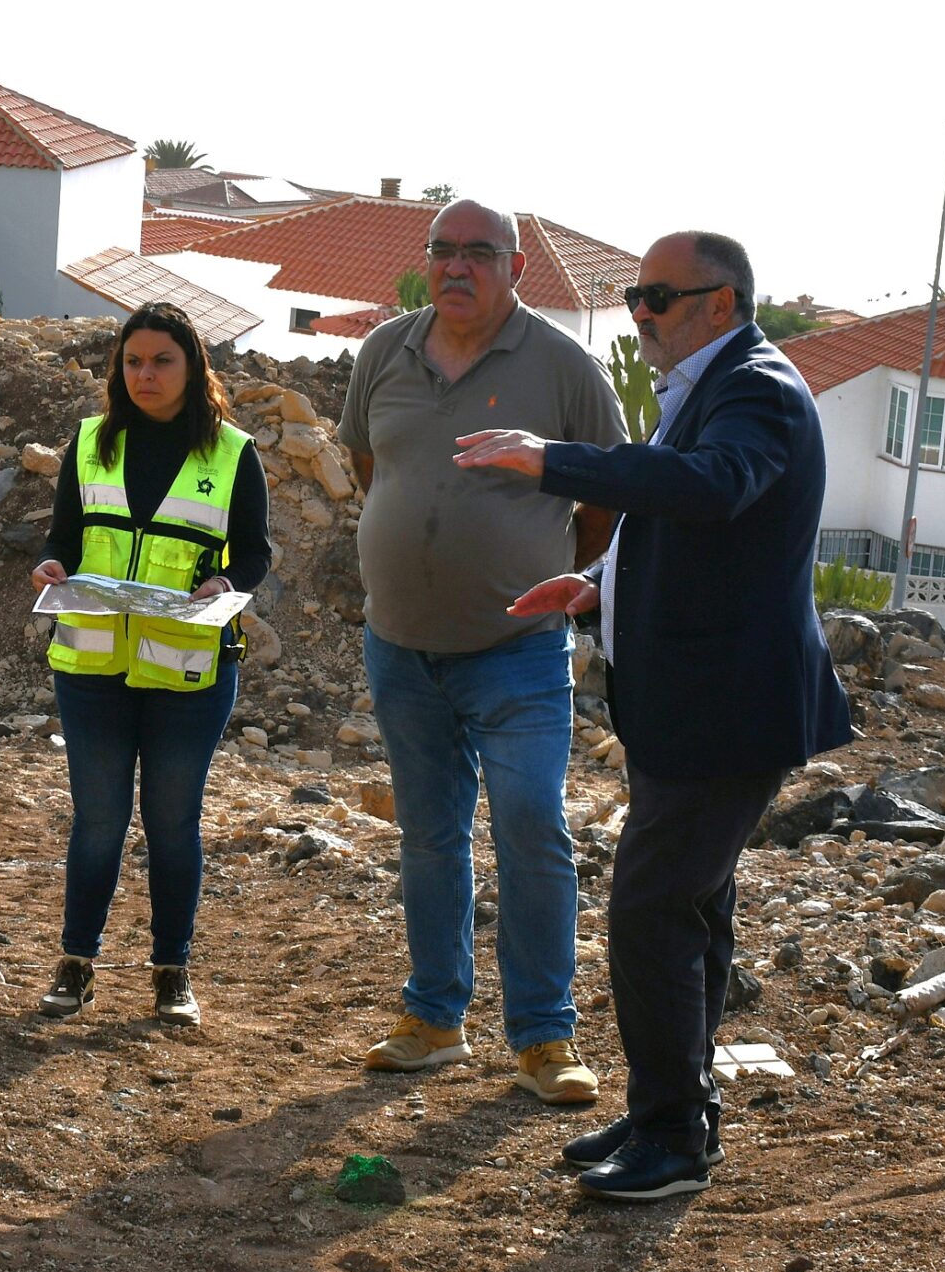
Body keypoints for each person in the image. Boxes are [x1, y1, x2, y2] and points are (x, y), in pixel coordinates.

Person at [453, 229, 851, 1201]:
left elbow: (713, 491)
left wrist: (554, 461)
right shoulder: (714, 388)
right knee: (692, 911)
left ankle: (674, 1139)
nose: (638, 317)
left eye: (655, 299)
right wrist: (595, 586)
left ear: (721, 302)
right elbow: (695, 530)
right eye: (631, 298)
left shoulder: (758, 386)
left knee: (649, 911)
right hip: (693, 705)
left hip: (728, 712)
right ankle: (673, 1109)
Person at [338, 200, 625, 1104]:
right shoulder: (385, 349)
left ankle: (544, 1036)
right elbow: (367, 466)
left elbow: (605, 493)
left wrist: (551, 567)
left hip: (518, 652)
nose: (456, 267)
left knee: (532, 827)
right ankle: (434, 1018)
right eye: (443, 251)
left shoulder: (565, 368)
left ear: (515, 268)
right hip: (401, 647)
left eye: (478, 254)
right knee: (428, 835)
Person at [29, 302, 271, 1026]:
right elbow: (63, 538)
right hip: (92, 665)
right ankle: (76, 963)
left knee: (173, 822)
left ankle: (173, 972)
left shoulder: (232, 452)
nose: (145, 374)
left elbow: (254, 552)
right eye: (132, 361)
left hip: (188, 671)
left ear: (192, 367)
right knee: (98, 820)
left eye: (162, 360)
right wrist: (51, 565)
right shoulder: (89, 443)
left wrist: (227, 584)